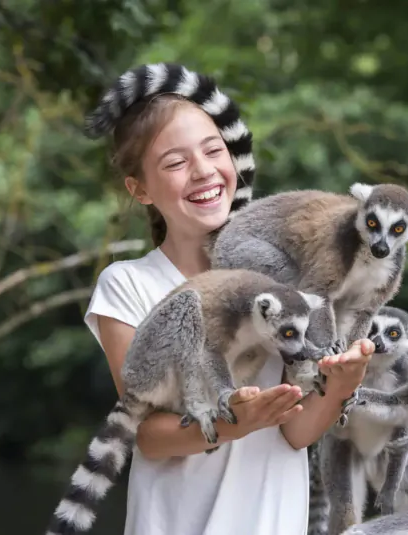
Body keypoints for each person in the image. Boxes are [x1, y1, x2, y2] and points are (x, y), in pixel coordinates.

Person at [83, 66, 373, 535]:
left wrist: (340, 383)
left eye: (214, 150)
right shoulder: (129, 283)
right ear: (139, 189)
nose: (202, 171)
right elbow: (146, 434)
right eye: (175, 163)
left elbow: (296, 432)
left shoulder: (280, 284)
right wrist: (236, 422)